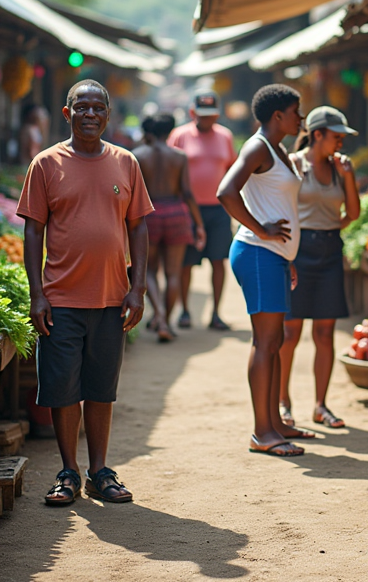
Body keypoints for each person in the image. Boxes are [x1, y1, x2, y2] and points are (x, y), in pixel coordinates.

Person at [17, 80, 153, 506]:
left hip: (112, 299)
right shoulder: (45, 164)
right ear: (67, 113)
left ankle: (99, 470)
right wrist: (37, 293)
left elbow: (139, 226)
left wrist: (138, 288)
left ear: (108, 115)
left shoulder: (126, 163)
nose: (90, 114)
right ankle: (68, 472)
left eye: (98, 108)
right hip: (60, 300)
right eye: (82, 107)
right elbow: (33, 229)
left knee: (100, 389)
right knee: (62, 390)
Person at [218, 84, 317, 457]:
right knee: (265, 342)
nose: (301, 118)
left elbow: (276, 202)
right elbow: (226, 191)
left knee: (274, 343)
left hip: (272, 257)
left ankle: (274, 422)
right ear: (277, 115)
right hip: (258, 253)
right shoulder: (258, 146)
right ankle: (262, 432)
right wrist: (262, 231)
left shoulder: (277, 149)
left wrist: (286, 254)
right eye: (296, 111)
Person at [278, 106, 361, 430]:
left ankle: (320, 406)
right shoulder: (294, 164)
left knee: (325, 332)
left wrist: (350, 177)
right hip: (297, 252)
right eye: (336, 137)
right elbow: (281, 204)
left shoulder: (341, 168)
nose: (340, 143)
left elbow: (352, 213)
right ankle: (284, 403)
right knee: (290, 332)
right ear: (317, 135)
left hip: (329, 251)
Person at [168, 91, 238, 331]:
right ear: (192, 113)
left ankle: (216, 313)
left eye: (211, 116)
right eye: (202, 115)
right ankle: (185, 311)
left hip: (218, 210)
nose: (207, 120)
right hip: (187, 209)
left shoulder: (225, 137)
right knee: (185, 262)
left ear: (217, 114)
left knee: (218, 261)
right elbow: (170, 167)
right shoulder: (180, 136)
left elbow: (231, 168)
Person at [133, 114, 206, 343]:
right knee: (173, 273)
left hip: (149, 215)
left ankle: (160, 318)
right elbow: (186, 191)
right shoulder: (179, 156)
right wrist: (199, 223)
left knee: (150, 271)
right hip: (177, 214)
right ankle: (167, 321)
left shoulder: (138, 156)